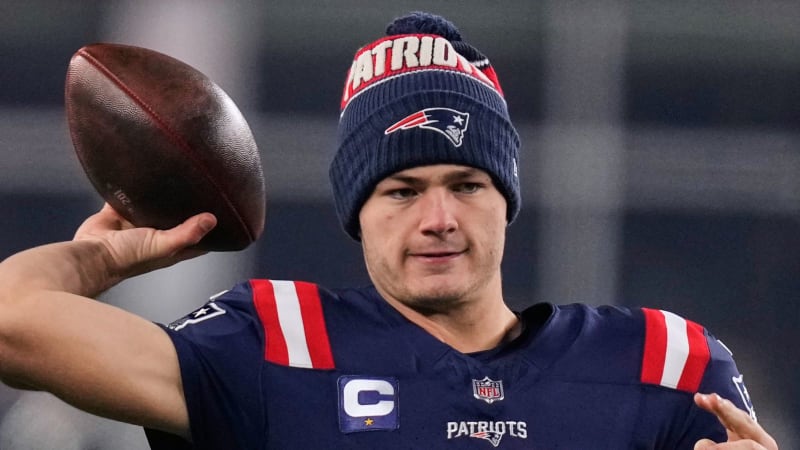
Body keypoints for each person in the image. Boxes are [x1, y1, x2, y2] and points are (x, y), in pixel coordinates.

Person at [0, 11, 779, 450]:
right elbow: (11, 323)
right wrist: (99, 255)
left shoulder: (665, 366)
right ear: (356, 211)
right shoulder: (272, 347)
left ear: (505, 198)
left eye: (466, 185)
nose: (437, 219)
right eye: (402, 190)